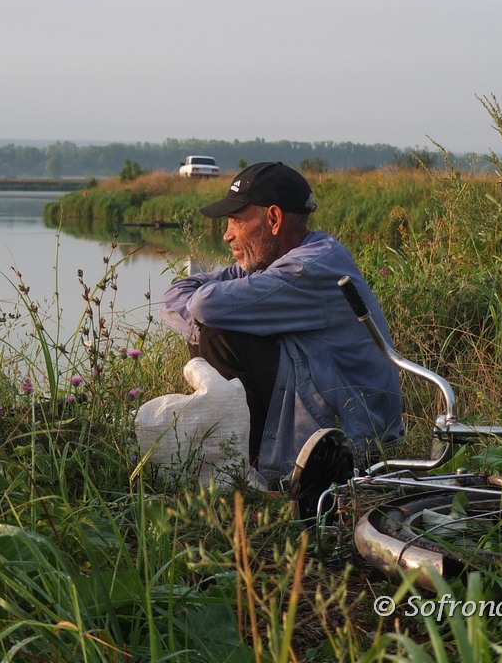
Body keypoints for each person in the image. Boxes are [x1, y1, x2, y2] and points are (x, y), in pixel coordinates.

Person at [160, 162, 403, 495]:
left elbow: (204, 305)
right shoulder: (273, 261)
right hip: (322, 400)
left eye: (236, 221)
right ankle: (246, 458)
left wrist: (202, 323)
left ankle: (251, 464)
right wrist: (201, 320)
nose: (227, 234)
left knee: (219, 329)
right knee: (217, 321)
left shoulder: (308, 266)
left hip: (355, 432)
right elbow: (176, 293)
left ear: (273, 219)